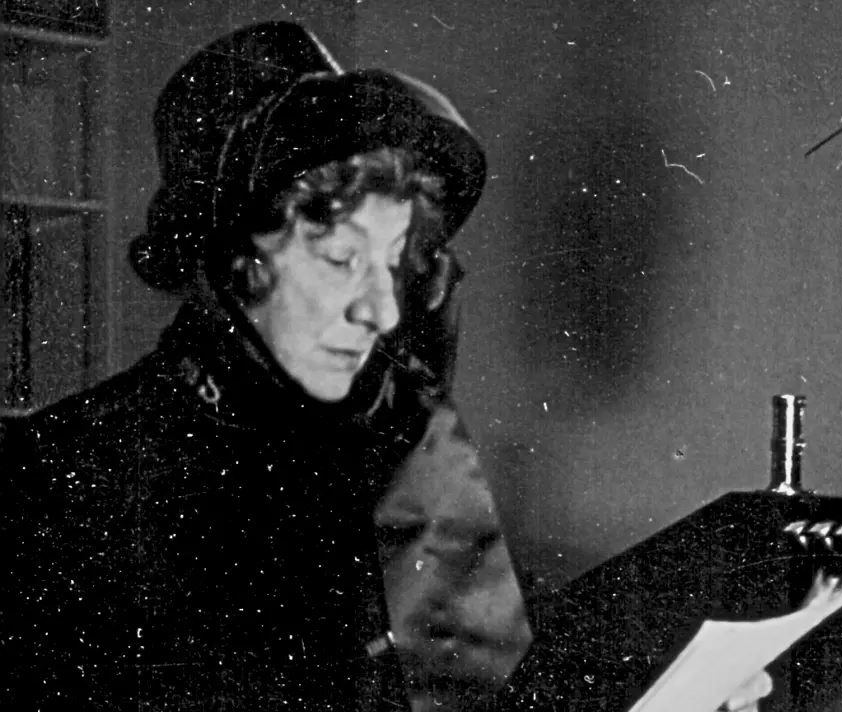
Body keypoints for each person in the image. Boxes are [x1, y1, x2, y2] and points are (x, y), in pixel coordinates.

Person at [0, 20, 770, 712]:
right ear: (236, 263)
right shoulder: (62, 475)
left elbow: (488, 682)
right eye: (341, 260)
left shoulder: (403, 432)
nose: (383, 311)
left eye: (394, 264)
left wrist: (670, 690)